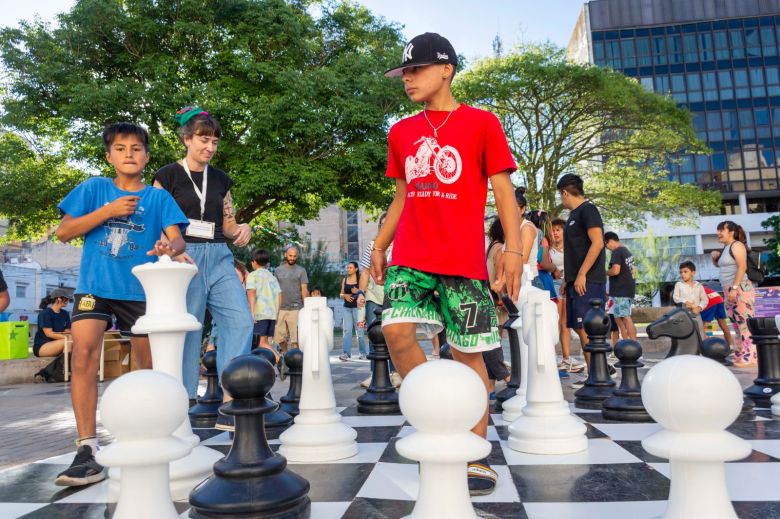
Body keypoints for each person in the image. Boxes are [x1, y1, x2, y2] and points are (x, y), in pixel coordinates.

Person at [372, 32, 522, 496]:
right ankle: (438, 410)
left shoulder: (482, 123)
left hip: (462, 259)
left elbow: (503, 194)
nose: (408, 79)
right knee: (395, 332)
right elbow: (401, 196)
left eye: (415, 70)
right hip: (411, 255)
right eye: (404, 73)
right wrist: (378, 245)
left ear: (446, 70)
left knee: (467, 353)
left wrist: (514, 250)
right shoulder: (401, 132)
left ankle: (475, 451)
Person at [54, 122, 188, 486]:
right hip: (94, 287)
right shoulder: (94, 189)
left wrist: (167, 248)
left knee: (145, 367)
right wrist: (108, 210)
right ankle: (87, 448)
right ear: (109, 155)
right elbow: (64, 231)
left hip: (140, 291)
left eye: (136, 148)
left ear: (146, 156)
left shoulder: (158, 198)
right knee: (82, 353)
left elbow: (179, 242)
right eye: (121, 148)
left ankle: (143, 437)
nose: (129, 154)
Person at [153, 106, 254, 431]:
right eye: (203, 140)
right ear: (187, 139)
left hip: (219, 255)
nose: (209, 147)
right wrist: (164, 248)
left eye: (214, 142)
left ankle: (230, 400)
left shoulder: (222, 179)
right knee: (189, 330)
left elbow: (228, 225)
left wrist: (242, 231)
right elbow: (153, 219)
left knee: (240, 320)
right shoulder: (167, 175)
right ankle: (181, 404)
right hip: (183, 256)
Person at [557, 173, 607, 368]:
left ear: (565, 193)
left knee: (589, 326)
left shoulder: (588, 210)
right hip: (574, 280)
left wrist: (581, 274)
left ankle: (598, 373)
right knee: (579, 326)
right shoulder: (573, 215)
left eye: (560, 196)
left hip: (589, 280)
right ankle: (594, 373)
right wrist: (567, 280)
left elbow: (597, 243)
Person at [711, 220, 757, 367]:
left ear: (731, 232)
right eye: (718, 230)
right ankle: (740, 355)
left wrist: (735, 288)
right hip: (729, 290)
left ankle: (751, 357)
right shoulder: (726, 248)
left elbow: (742, 267)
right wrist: (714, 258)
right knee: (736, 325)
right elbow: (723, 266)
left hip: (740, 289)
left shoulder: (737, 245)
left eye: (721, 230)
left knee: (745, 324)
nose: (718, 233)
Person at [550, 219, 584, 374]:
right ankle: (551, 357)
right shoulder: (548, 247)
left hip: (567, 284)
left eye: (558, 229)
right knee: (554, 321)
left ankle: (566, 358)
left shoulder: (571, 248)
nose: (555, 232)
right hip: (553, 284)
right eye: (553, 230)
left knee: (565, 324)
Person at [274, 246, 309, 354]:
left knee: (295, 340)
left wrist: (306, 307)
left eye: (294, 256)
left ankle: (295, 362)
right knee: (280, 338)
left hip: (295, 308)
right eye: (290, 256)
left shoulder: (301, 270)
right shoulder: (277, 270)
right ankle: (285, 356)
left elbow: (304, 289)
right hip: (281, 309)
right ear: (285, 255)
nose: (292, 258)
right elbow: (274, 290)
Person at [246, 248, 281, 356]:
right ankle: (271, 364)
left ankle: (278, 359)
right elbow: (280, 295)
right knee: (264, 342)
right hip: (271, 315)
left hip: (259, 314)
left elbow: (251, 293)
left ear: (254, 262)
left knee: (260, 343)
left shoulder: (252, 275)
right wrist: (276, 314)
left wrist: (251, 313)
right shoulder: (272, 277)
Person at [604, 232, 637, 341]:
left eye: (606, 245)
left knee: (625, 318)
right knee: (619, 318)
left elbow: (615, 271)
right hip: (627, 289)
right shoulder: (627, 252)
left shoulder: (617, 251)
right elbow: (634, 272)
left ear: (611, 241)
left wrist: (604, 273)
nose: (607, 248)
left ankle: (633, 345)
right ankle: (627, 343)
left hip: (620, 291)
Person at [339, 261, 368, 361]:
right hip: (346, 308)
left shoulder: (360, 279)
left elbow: (365, 292)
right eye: (348, 268)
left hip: (359, 308)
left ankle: (363, 353)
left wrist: (358, 291)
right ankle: (346, 354)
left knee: (359, 331)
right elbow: (341, 294)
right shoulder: (345, 280)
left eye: (350, 267)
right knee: (346, 331)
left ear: (356, 269)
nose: (348, 269)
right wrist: (345, 296)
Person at [33, 288, 72, 358]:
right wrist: (68, 338)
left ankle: (66, 365)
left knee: (74, 341)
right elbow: (49, 333)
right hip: (43, 346)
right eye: (66, 298)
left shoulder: (65, 314)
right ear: (59, 299)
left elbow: (67, 331)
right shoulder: (45, 313)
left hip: (59, 342)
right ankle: (63, 366)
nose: (68, 301)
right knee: (68, 341)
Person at [672, 260, 708, 333]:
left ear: (693, 273)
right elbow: (675, 298)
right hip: (683, 315)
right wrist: (685, 302)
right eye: (681, 272)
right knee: (686, 334)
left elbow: (705, 300)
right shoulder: (679, 284)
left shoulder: (699, 286)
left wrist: (699, 307)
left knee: (700, 333)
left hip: (696, 314)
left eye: (685, 272)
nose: (682, 274)